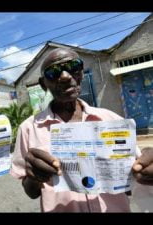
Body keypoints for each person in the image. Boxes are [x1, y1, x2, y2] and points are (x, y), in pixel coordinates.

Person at [10, 47, 153, 212]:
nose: (65, 76)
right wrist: (34, 178)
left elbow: (132, 181)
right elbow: (31, 192)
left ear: (82, 73)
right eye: (53, 72)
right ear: (43, 84)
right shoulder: (28, 129)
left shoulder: (112, 120)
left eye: (73, 66)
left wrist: (145, 169)